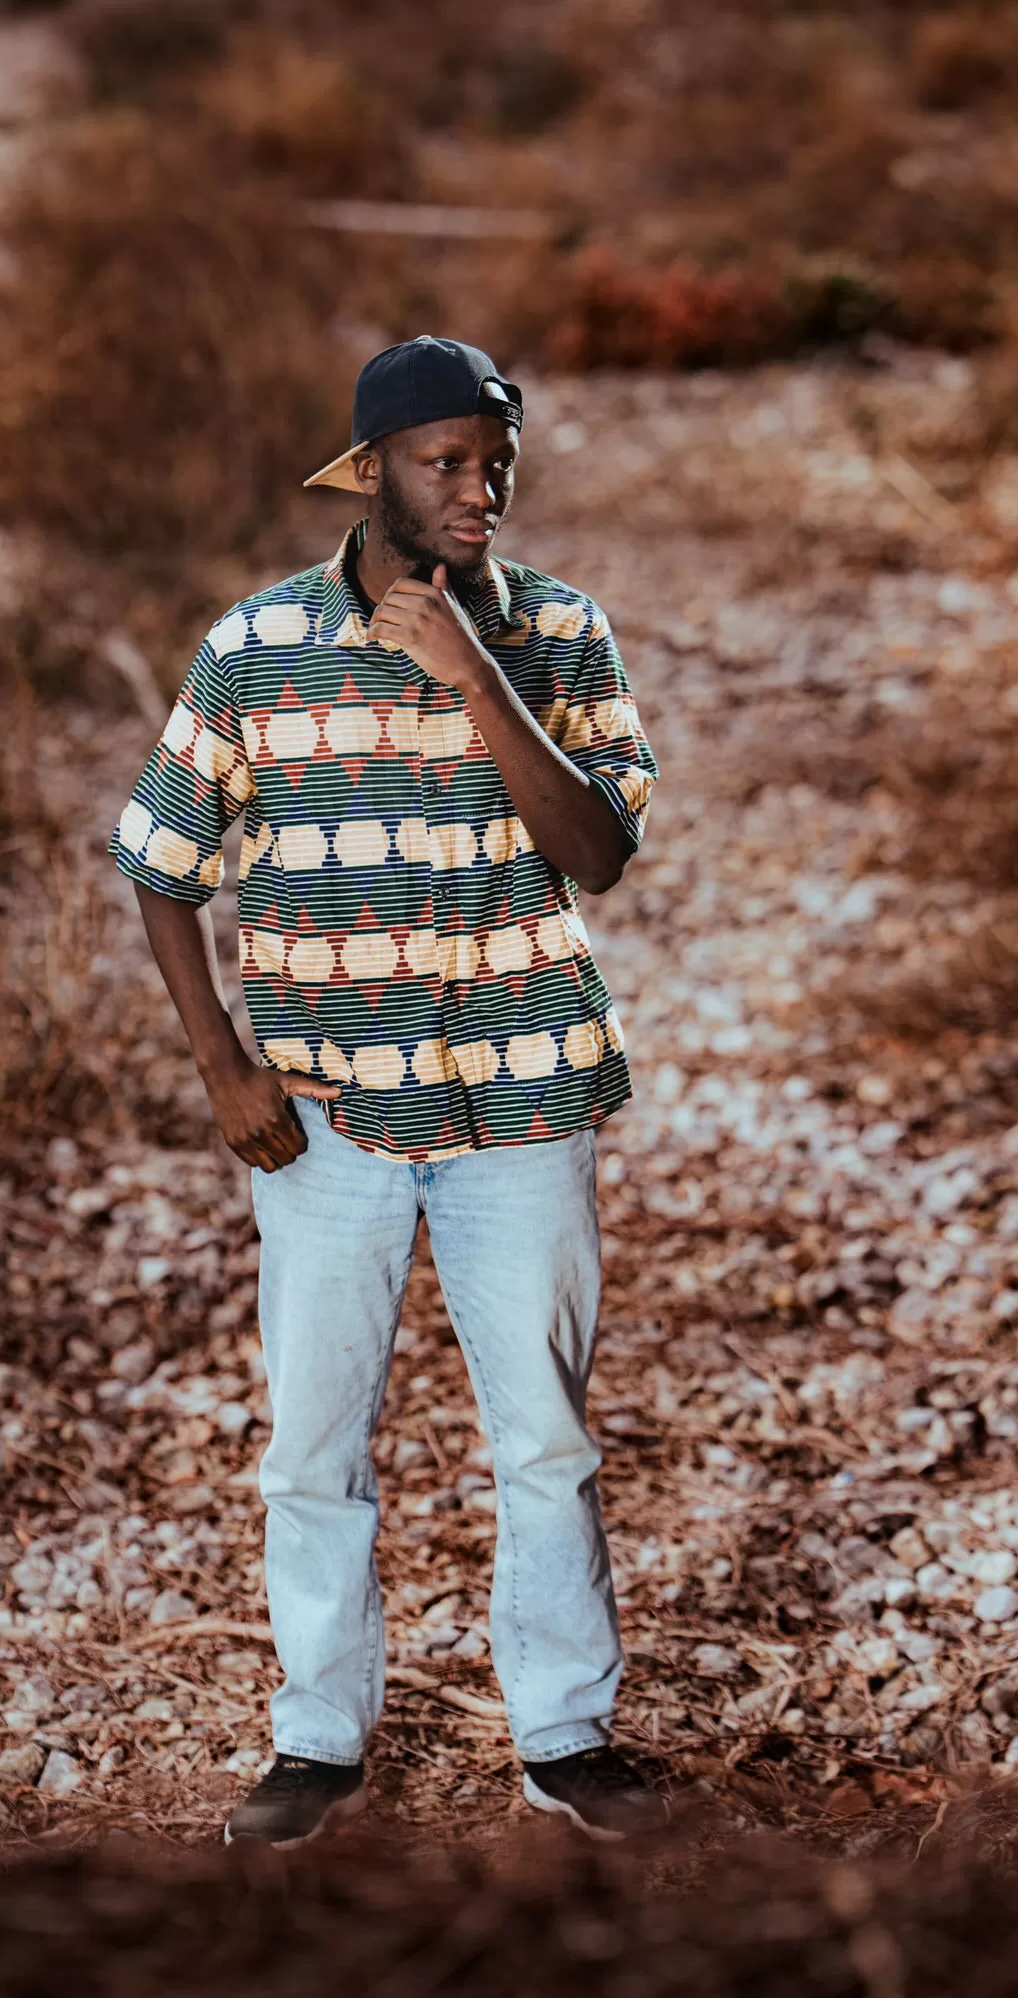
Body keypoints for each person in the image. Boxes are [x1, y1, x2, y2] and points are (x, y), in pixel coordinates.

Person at [109, 336, 661, 1847]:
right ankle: (317, 1742)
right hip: (325, 1119)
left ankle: (565, 1736)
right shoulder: (253, 646)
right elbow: (158, 865)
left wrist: (475, 674)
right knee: (313, 1445)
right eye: (443, 462)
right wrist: (220, 1062)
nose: (477, 488)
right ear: (370, 473)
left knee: (544, 1437)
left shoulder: (560, 631)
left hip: (522, 1101)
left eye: (496, 460)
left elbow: (598, 854)